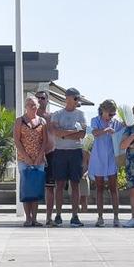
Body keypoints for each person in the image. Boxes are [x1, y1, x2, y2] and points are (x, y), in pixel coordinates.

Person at [45, 88, 90, 227]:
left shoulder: (81, 114)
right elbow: (55, 132)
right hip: (60, 152)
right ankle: (58, 215)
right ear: (68, 98)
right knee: (59, 184)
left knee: (75, 184)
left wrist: (64, 133)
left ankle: (75, 216)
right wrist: (71, 132)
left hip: (75, 152)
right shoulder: (57, 114)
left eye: (78, 99)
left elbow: (82, 134)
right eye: (75, 98)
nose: (77, 101)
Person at [13, 96, 48, 227]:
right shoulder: (19, 121)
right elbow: (17, 140)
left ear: (38, 106)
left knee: (36, 189)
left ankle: (35, 218)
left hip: (39, 160)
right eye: (29, 104)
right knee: (27, 188)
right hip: (24, 160)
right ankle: (28, 218)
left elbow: (45, 140)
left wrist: (40, 156)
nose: (31, 107)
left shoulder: (42, 121)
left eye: (34, 104)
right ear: (25, 106)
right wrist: (26, 157)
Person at [86, 100, 121, 225]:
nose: (111, 116)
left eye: (113, 114)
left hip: (112, 157)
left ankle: (116, 217)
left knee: (113, 188)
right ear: (103, 111)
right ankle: (100, 217)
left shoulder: (116, 123)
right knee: (99, 188)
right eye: (110, 114)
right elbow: (94, 133)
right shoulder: (95, 120)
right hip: (99, 157)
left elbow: (124, 132)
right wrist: (105, 130)